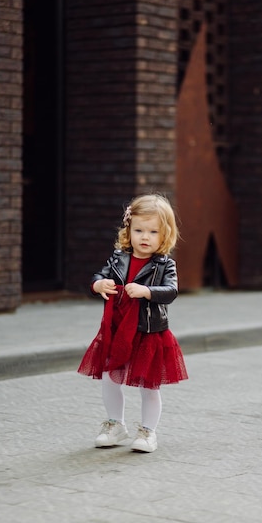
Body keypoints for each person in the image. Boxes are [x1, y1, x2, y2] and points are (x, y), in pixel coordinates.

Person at [78, 193, 188, 453]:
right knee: (109, 377)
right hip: (117, 331)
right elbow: (99, 276)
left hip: (148, 333)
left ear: (165, 235)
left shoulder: (165, 265)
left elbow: (171, 291)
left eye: (153, 231)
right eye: (139, 230)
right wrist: (98, 284)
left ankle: (148, 431)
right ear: (129, 230)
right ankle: (116, 425)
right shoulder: (119, 258)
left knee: (148, 385)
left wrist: (147, 291)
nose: (145, 237)